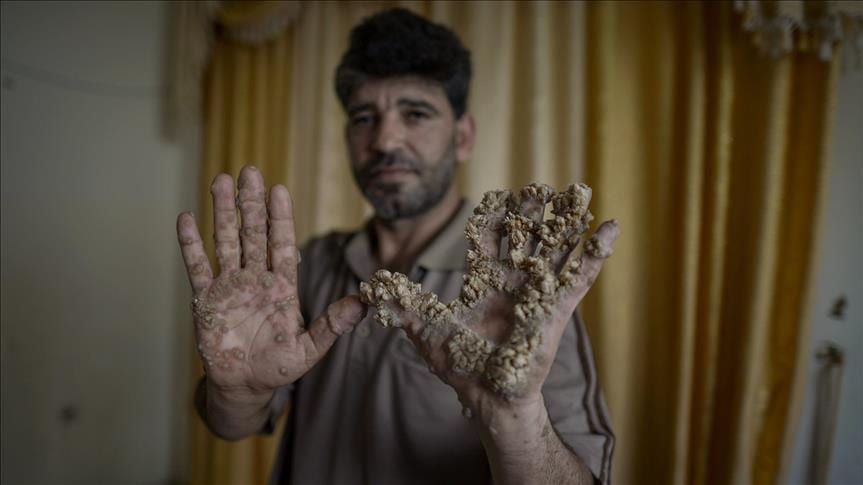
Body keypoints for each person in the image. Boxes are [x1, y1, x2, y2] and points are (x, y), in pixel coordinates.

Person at [176, 8, 618, 485]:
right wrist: (238, 394)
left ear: (463, 136)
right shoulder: (311, 263)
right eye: (364, 117)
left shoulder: (522, 285)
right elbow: (232, 425)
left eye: (416, 114)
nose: (385, 140)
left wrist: (514, 421)